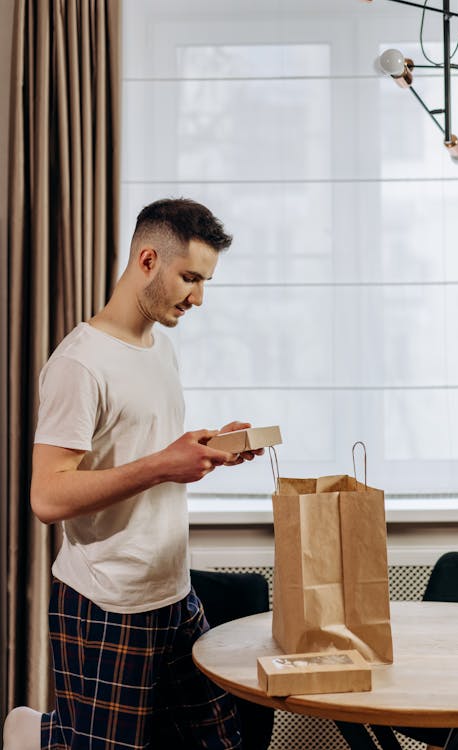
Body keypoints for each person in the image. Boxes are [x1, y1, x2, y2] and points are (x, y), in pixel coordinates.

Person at [3, 198, 263, 750]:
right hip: (105, 598)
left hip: (174, 590)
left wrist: (209, 449)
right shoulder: (79, 364)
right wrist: (163, 464)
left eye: (205, 281)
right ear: (148, 260)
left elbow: (143, 451)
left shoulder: (161, 349)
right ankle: (33, 735)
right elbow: (47, 496)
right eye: (189, 278)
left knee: (221, 742)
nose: (198, 297)